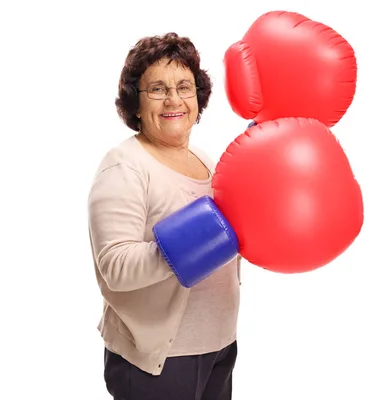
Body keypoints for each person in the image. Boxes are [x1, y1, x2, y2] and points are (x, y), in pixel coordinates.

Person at [87, 32, 241, 400]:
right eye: (157, 89)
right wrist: (190, 246)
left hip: (219, 345)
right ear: (136, 104)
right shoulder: (124, 166)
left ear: (197, 97)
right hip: (159, 361)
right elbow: (115, 265)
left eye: (184, 87)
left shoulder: (208, 161)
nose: (174, 99)